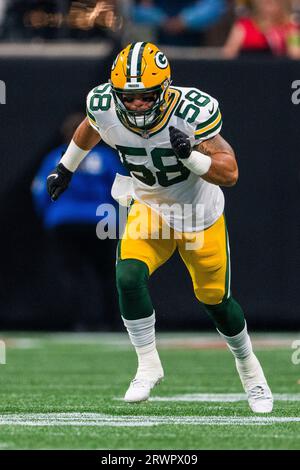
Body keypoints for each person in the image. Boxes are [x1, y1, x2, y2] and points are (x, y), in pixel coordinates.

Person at [47, 41, 273, 412]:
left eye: (144, 96)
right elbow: (91, 125)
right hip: (150, 203)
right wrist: (66, 167)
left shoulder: (191, 111)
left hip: (199, 215)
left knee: (215, 302)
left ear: (164, 90)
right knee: (128, 276)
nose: (135, 104)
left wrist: (192, 157)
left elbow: (229, 172)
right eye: (127, 97)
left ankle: (250, 369)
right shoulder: (104, 104)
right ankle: (148, 364)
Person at [33, 112, 126, 330]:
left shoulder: (55, 158)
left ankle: (83, 321)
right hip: (101, 220)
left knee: (73, 274)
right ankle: (110, 321)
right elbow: (123, 190)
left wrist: (49, 216)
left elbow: (40, 191)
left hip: (64, 221)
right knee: (106, 272)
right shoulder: (104, 158)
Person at [130, 0, 227, 46]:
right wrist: (161, 20)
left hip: (197, 48)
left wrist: (185, 21)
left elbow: (214, 8)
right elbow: (136, 11)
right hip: (157, 46)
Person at [223, 0, 300, 58]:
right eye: (265, 2)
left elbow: (295, 54)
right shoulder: (243, 26)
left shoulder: (291, 28)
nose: (269, 2)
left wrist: (282, 42)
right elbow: (228, 55)